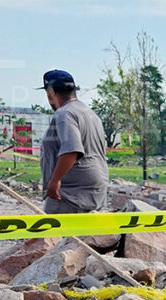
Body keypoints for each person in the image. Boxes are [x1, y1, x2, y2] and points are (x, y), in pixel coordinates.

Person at [38, 70, 109, 214]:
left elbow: (72, 150)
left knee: (50, 232)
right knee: (80, 234)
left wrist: (54, 180)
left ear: (51, 92)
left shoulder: (64, 113)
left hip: (71, 190)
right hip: (96, 184)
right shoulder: (90, 113)